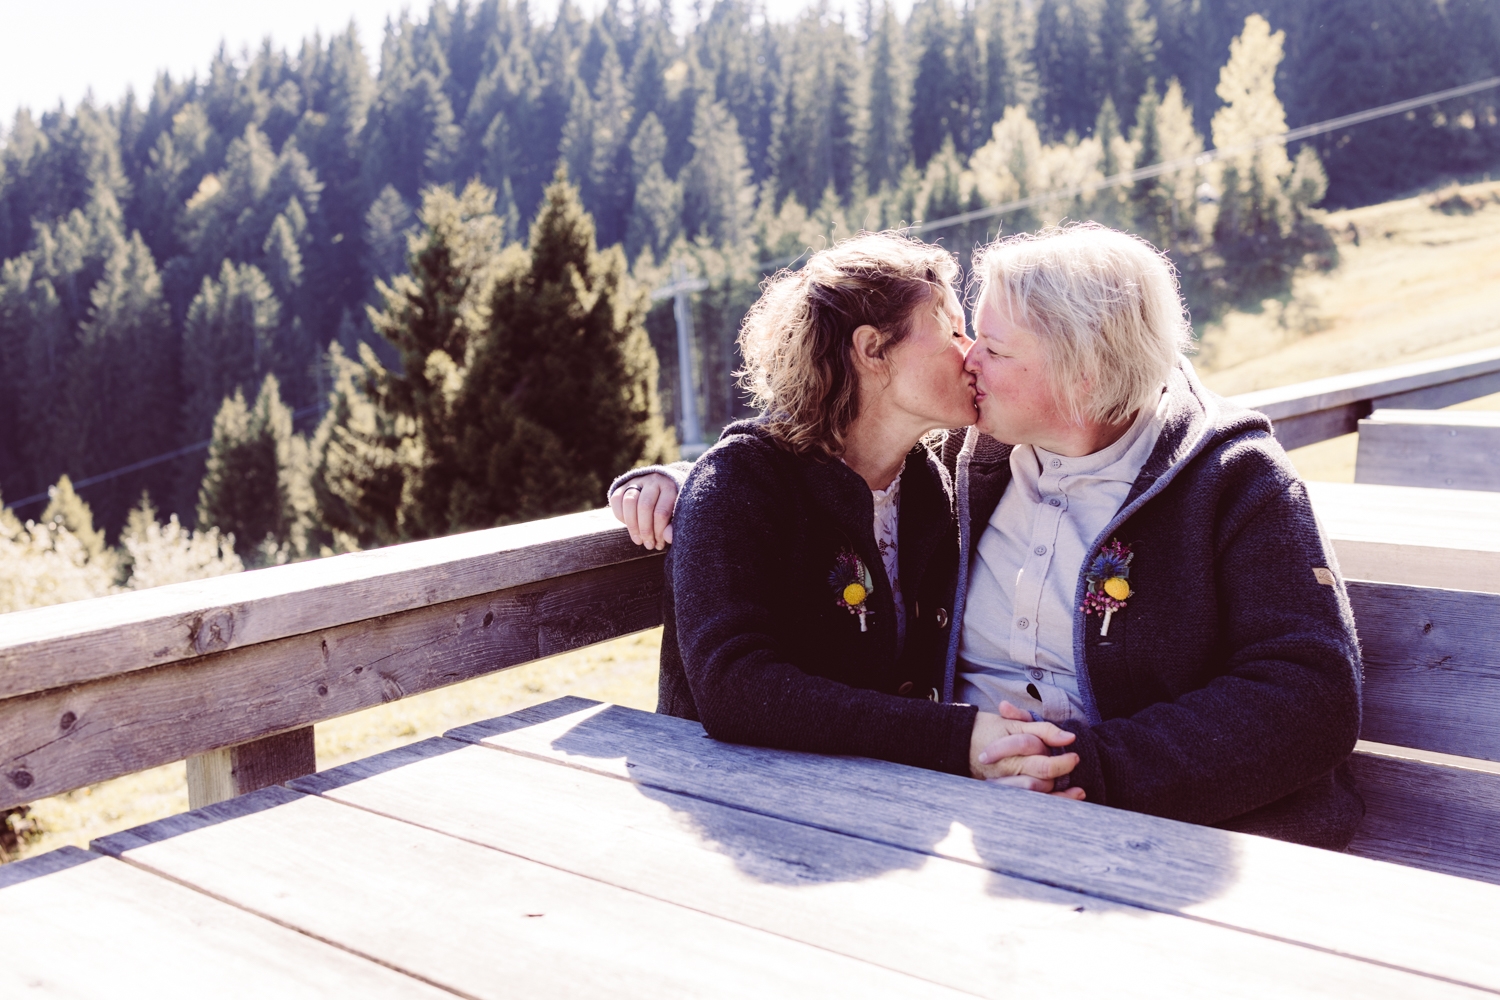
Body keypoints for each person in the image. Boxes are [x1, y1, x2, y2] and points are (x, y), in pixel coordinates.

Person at [619, 222, 1364, 849]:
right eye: (958, 332)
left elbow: (1310, 693)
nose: (969, 355)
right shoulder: (971, 464)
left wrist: (1086, 771)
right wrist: (694, 478)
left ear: (1084, 373)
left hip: (1145, 834)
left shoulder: (1233, 480)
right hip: (926, 819)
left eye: (995, 349)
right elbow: (811, 464)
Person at [613, 232, 1083, 789]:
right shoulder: (745, 480)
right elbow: (733, 687)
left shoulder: (931, 481)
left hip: (887, 806)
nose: (972, 353)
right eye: (953, 330)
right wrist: (954, 739)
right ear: (872, 349)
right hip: (738, 803)